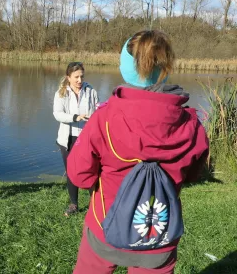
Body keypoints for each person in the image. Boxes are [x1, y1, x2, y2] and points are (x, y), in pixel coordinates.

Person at [67, 30, 209, 273]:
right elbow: (193, 173)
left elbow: (79, 175)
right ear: (165, 67)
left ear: (126, 67)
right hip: (158, 235)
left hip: (104, 227)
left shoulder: (104, 118)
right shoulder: (192, 124)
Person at [53, 61, 99, 217]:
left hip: (87, 138)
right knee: (71, 172)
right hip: (68, 139)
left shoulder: (90, 90)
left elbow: (98, 109)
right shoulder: (61, 93)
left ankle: (96, 204)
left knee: (92, 170)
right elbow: (57, 114)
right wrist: (75, 117)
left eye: (82, 76)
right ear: (68, 77)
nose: (80, 80)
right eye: (76, 77)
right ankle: (74, 204)